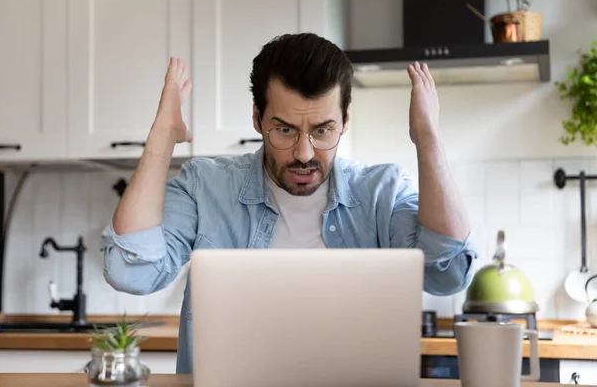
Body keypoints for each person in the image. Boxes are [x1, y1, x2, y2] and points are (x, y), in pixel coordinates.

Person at [101, 33, 478, 374]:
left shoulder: (382, 191)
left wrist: (427, 137)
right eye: (284, 129)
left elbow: (447, 270)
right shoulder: (207, 186)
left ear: (345, 120)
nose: (303, 153)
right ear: (257, 118)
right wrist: (163, 136)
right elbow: (130, 269)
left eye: (322, 130)